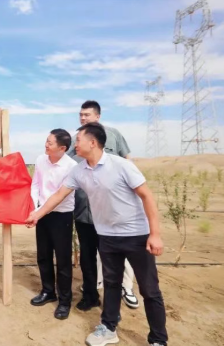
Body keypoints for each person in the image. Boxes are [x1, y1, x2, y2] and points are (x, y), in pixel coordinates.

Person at [26, 122, 168, 346]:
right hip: (107, 236)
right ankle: (109, 328)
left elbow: (147, 196)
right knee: (111, 285)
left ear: (92, 143)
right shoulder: (79, 170)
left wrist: (155, 234)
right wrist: (37, 214)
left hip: (135, 235)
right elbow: (59, 195)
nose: (74, 144)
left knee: (149, 289)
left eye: (78, 140)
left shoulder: (121, 165)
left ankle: (158, 339)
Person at [68, 100, 139, 311]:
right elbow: (67, 165)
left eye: (87, 115)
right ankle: (90, 294)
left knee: (115, 257)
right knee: (87, 256)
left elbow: (128, 160)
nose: (83, 118)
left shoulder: (114, 135)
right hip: (84, 210)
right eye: (81, 115)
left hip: (111, 211)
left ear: (97, 116)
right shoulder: (75, 139)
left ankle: (124, 290)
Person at [29, 129, 77, 320]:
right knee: (43, 255)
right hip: (42, 214)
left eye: (50, 143)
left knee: (63, 260)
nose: (46, 145)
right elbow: (35, 185)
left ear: (62, 148)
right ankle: (48, 291)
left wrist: (39, 212)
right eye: (46, 141)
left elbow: (59, 197)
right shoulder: (41, 160)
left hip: (61, 216)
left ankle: (65, 301)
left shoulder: (71, 167)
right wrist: (34, 208)